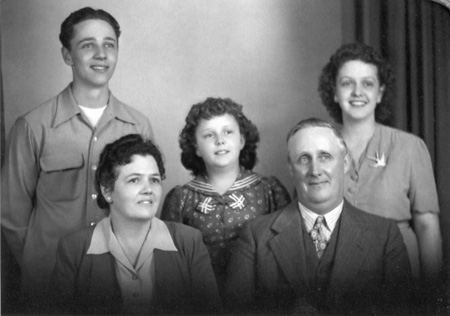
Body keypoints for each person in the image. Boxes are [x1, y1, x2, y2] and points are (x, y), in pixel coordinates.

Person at [1, 7, 153, 306]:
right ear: (67, 55)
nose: (101, 53)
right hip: (48, 281)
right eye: (88, 45)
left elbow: (146, 204)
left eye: (109, 44)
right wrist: (38, 268)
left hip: (118, 280)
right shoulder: (32, 126)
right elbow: (12, 215)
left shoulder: (139, 126)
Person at [225, 118, 412, 315]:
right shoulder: (255, 236)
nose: (315, 171)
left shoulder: (384, 235)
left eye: (324, 157)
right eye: (304, 159)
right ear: (291, 168)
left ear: (345, 162)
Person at [318, 42, 442, 301]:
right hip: (332, 284)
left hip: (400, 280)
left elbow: (427, 225)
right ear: (334, 93)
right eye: (347, 83)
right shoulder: (317, 145)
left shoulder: (410, 147)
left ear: (380, 93)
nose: (357, 92)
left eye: (368, 83)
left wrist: (431, 294)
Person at [51, 134, 221, 315]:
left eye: (154, 180)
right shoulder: (73, 249)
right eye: (134, 180)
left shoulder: (189, 242)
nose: (148, 189)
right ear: (107, 190)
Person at [160, 97, 291, 294]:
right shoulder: (181, 199)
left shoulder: (269, 191)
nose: (220, 140)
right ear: (195, 147)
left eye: (228, 132)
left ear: (242, 140)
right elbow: (171, 266)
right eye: (208, 135)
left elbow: (287, 255)